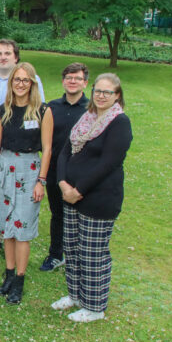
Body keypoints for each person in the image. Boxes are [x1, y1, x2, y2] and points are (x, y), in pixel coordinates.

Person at [53, 73, 132, 323]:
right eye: (98, 90)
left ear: (117, 95)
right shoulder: (87, 118)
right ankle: (75, 295)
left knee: (92, 253)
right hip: (71, 194)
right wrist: (63, 183)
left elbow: (109, 162)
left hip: (98, 198)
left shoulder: (118, 122)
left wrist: (79, 189)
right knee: (73, 249)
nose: (100, 95)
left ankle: (95, 306)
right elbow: (66, 151)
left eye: (107, 92)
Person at [0, 62, 52, 305]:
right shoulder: (2, 110)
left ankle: (20, 281)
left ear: (32, 83)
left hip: (29, 170)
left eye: (26, 80)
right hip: (5, 169)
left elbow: (46, 150)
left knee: (22, 229)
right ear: (11, 82)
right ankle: (9, 273)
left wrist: (41, 181)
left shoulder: (42, 111)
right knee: (7, 227)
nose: (21, 84)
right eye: (17, 79)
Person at [0, 39, 45, 255]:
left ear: (16, 57)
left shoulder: (33, 81)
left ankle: (18, 232)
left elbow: (38, 112)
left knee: (20, 195)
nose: (3, 57)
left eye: (8, 53)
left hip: (23, 152)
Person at [40, 63, 89, 272]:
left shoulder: (91, 109)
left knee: (80, 215)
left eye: (77, 78)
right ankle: (55, 254)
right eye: (69, 77)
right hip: (54, 170)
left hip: (81, 171)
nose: (72, 81)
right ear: (63, 81)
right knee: (57, 213)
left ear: (85, 83)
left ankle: (77, 257)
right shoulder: (51, 107)